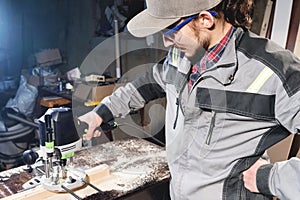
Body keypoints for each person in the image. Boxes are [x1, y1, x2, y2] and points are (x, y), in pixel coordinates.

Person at [79, 0, 300, 199]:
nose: (166, 43)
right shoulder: (182, 56)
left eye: (171, 31)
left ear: (205, 19)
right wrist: (102, 112)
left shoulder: (274, 71)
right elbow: (148, 82)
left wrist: (270, 179)